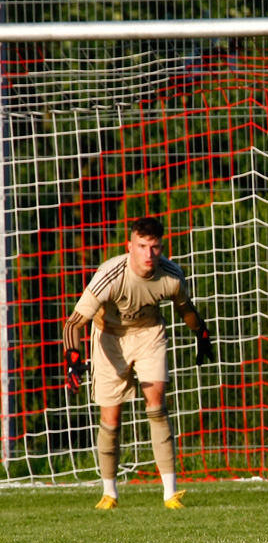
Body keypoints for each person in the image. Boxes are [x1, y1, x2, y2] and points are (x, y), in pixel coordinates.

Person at [63, 216, 214, 510]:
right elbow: (74, 323)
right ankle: (109, 493)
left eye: (155, 247)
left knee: (157, 405)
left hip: (149, 334)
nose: (149, 254)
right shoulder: (110, 274)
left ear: (161, 246)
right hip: (109, 337)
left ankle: (170, 494)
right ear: (129, 245)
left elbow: (186, 309)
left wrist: (202, 334)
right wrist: (73, 358)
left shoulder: (171, 276)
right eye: (142, 246)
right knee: (111, 418)